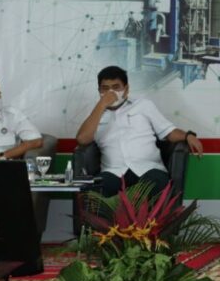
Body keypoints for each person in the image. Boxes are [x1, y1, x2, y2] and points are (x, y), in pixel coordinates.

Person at [76, 66, 203, 197]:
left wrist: (188, 136)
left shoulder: (143, 105)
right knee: (96, 193)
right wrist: (102, 105)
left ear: (126, 89)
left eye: (116, 87)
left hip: (148, 169)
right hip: (113, 172)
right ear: (99, 91)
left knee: (156, 185)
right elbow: (82, 139)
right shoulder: (95, 115)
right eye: (105, 88)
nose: (110, 93)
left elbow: (168, 131)